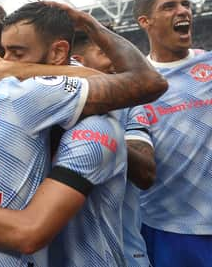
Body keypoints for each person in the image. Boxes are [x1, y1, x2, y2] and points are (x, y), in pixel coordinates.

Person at [0, 1, 166, 266]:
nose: (3, 65)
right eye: (3, 53)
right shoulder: (3, 108)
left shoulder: (91, 123)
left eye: (16, 54)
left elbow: (148, 86)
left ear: (59, 54)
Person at [132, 0, 212, 267]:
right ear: (145, 21)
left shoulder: (209, 64)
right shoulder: (134, 84)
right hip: (171, 227)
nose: (183, 11)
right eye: (169, 6)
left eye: (186, 4)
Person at [71, 30, 156, 267]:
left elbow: (146, 174)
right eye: (105, 53)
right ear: (77, 62)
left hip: (126, 253)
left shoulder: (130, 106)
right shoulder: (45, 107)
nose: (116, 61)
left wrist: (105, 134)